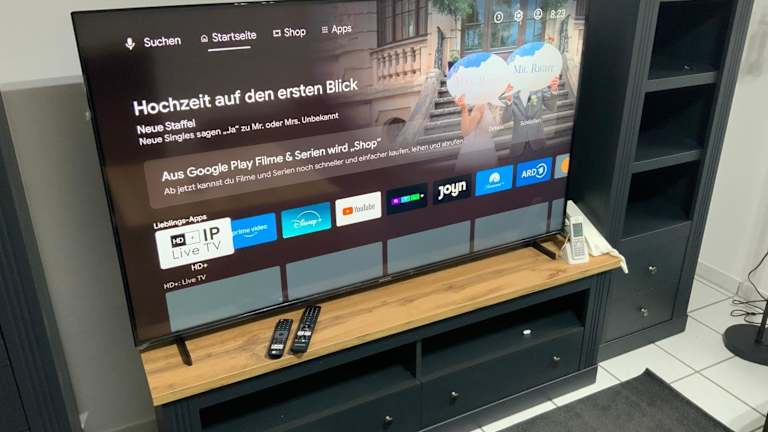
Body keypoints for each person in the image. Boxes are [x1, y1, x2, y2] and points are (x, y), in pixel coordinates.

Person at [500, 76, 560, 157]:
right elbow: (505, 120)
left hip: (538, 141)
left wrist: (553, 91)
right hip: (518, 145)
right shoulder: (511, 91)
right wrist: (509, 102)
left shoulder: (539, 86)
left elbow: (552, 108)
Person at [453, 95, 498, 173]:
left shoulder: (495, 106)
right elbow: (466, 131)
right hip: (475, 150)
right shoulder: (480, 106)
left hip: (488, 149)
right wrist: (464, 109)